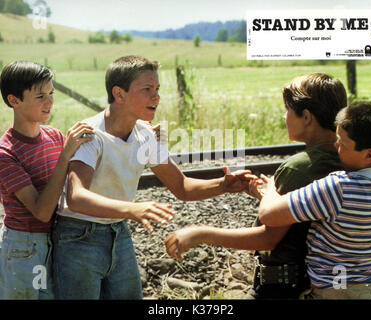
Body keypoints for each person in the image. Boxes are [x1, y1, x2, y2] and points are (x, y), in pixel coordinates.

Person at [52, 55, 251, 300]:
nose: (156, 96)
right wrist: (133, 209)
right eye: (146, 89)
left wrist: (224, 185)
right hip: (77, 237)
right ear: (119, 94)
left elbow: (182, 187)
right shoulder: (90, 135)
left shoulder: (144, 134)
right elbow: (76, 197)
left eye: (157, 89)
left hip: (118, 232)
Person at [165, 73, 347, 299]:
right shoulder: (346, 159)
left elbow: (268, 238)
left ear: (307, 117)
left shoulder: (298, 167)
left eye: (288, 110)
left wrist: (199, 234)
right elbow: (308, 214)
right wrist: (267, 198)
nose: (284, 116)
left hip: (281, 289)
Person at [257, 101, 371, 299]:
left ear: (369, 155)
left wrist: (271, 187)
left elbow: (268, 215)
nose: (335, 145)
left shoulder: (339, 187)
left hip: (336, 290)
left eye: (342, 142)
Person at [0, 60, 94, 299]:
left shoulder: (54, 136)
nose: (50, 101)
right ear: (14, 101)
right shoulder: (5, 153)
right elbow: (41, 211)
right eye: (40, 96)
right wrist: (66, 155)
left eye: (51, 93)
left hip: (55, 240)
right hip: (24, 248)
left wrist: (138, 133)